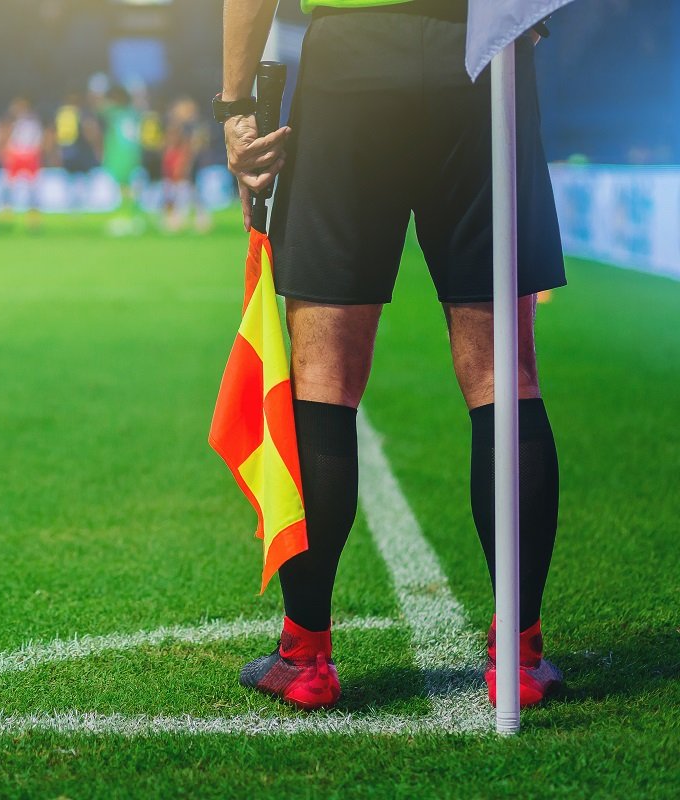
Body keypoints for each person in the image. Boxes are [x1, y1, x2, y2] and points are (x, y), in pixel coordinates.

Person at [222, 0, 565, 710]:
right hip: (479, 55)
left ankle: (306, 655)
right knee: (503, 372)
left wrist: (236, 104)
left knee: (324, 376)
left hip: (351, 60)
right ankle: (520, 658)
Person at [160, 97, 212, 233]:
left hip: (188, 172)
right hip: (178, 173)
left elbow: (195, 146)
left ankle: (191, 221)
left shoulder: (190, 130)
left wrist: (185, 165)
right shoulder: (178, 129)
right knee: (184, 197)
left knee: (189, 196)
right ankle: (182, 221)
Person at [100, 85, 145, 236]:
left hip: (120, 156)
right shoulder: (132, 114)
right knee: (128, 188)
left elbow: (100, 108)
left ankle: (127, 219)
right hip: (131, 155)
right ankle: (133, 218)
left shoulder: (116, 114)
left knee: (124, 189)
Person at [0, 97, 46, 231]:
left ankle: (33, 219)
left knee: (32, 188)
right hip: (16, 155)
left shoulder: (33, 122)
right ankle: (7, 215)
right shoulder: (13, 123)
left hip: (29, 156)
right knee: (9, 186)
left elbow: (38, 140)